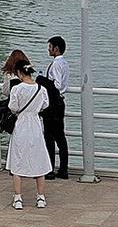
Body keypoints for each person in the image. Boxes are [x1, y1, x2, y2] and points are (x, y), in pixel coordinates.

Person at [4, 58, 53, 210]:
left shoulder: (17, 89)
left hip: (21, 125)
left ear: (19, 72)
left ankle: (18, 198)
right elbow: (45, 105)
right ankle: (40, 197)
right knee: (38, 160)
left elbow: (13, 107)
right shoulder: (41, 89)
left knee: (18, 160)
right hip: (36, 125)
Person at [43, 36, 70, 180]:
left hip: (53, 104)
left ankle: (50, 169)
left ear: (56, 49)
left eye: (50, 47)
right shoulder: (64, 63)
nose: (49, 49)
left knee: (49, 136)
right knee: (60, 136)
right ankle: (63, 169)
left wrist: (45, 82)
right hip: (60, 103)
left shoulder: (56, 65)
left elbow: (57, 85)